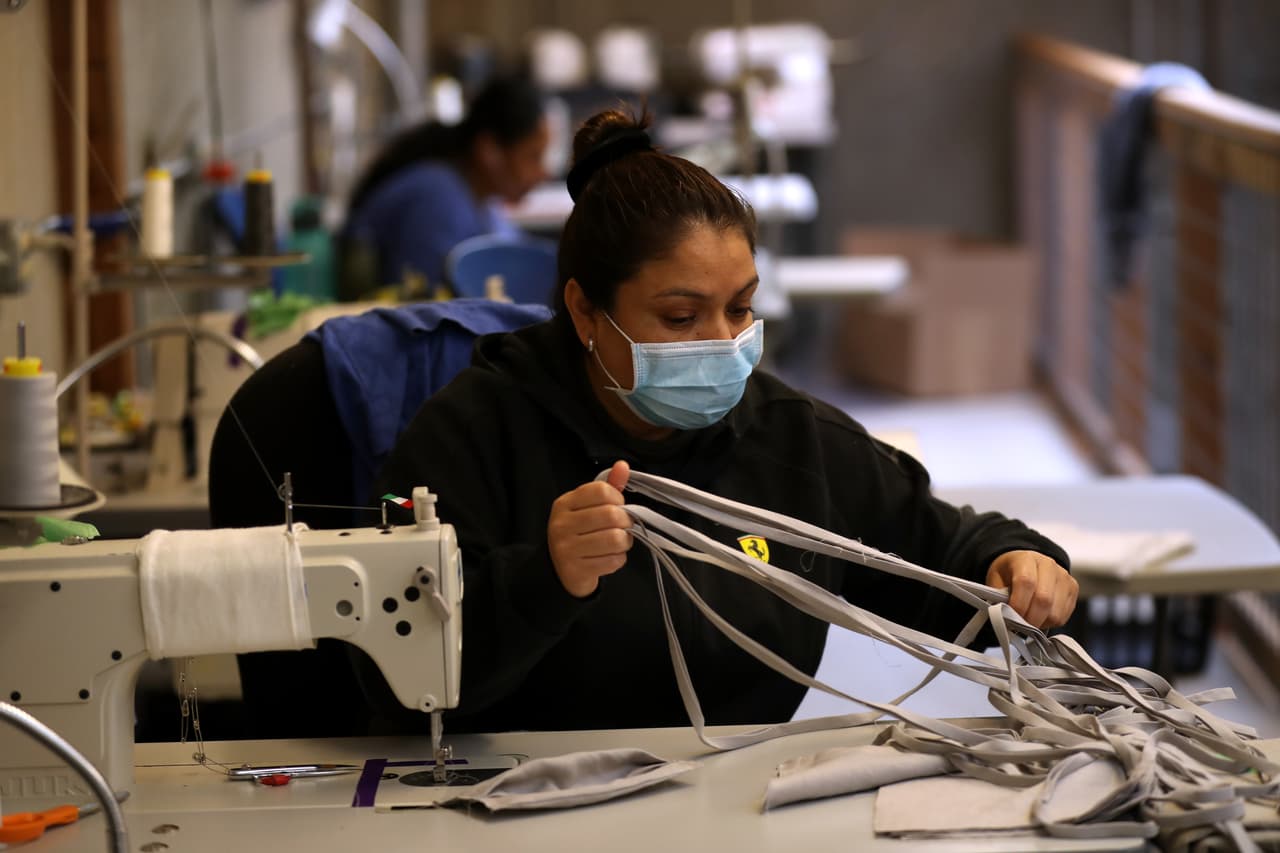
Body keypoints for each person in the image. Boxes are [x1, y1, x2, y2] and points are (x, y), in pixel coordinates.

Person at [370, 108, 1078, 735]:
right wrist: (544, 578)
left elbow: (942, 548)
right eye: (681, 317)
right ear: (585, 310)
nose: (720, 340)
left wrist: (1016, 562)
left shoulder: (786, 438)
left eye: (739, 307)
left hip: (733, 797)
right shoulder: (473, 434)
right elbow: (396, 686)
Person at [340, 77, 549, 298]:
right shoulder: (436, 201)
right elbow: (426, 305)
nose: (544, 173)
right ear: (490, 152)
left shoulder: (482, 202)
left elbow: (522, 255)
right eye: (533, 157)